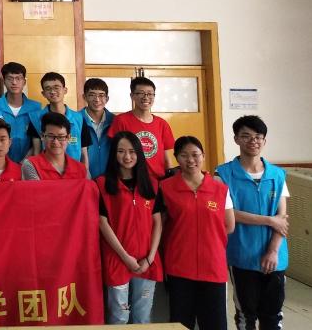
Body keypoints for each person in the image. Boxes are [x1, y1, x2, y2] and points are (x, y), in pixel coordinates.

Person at [216, 116, 289, 330]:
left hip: (275, 257)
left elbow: (282, 218)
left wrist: (273, 252)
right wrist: (268, 220)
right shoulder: (223, 174)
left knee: (273, 316)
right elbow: (226, 214)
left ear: (264, 140)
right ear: (236, 139)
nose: (253, 141)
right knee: (245, 316)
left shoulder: (277, 175)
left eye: (258, 137)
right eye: (246, 136)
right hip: (242, 256)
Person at [161, 136, 235, 330]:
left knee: (214, 323)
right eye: (184, 155)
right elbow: (160, 225)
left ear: (203, 156)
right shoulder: (166, 188)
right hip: (179, 266)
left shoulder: (220, 189)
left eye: (195, 154)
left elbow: (229, 225)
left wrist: (209, 240)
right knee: (181, 323)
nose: (190, 160)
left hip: (213, 267)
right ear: (176, 158)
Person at [97, 131, 164, 324]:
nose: (127, 157)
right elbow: (102, 223)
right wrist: (125, 257)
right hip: (117, 260)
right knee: (119, 317)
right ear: (114, 154)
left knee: (142, 317)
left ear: (139, 153)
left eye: (132, 151)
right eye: (121, 151)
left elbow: (158, 222)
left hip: (146, 262)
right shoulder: (102, 184)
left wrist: (150, 258)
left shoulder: (152, 184)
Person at [109, 76, 174, 179]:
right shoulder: (121, 120)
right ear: (132, 96)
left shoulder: (162, 124)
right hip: (133, 179)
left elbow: (166, 157)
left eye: (150, 94)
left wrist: (170, 177)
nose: (146, 97)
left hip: (158, 179)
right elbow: (114, 152)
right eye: (141, 93)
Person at [27, 72, 90, 172]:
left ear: (65, 90)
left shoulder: (79, 119)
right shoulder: (35, 119)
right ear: (43, 93)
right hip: (47, 173)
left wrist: (84, 175)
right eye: (48, 88)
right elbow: (36, 151)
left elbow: (84, 154)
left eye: (56, 87)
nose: (52, 91)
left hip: (75, 174)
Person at [0, 61, 41, 163]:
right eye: (10, 78)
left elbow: (37, 141)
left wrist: (24, 163)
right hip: (0, 163)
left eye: (18, 78)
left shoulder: (35, 107)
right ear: (4, 81)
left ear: (24, 82)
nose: (14, 82)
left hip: (27, 164)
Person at [21, 112, 88, 181]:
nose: (55, 142)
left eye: (61, 137)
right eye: (51, 136)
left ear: (68, 137)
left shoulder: (81, 169)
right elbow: (36, 188)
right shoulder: (31, 165)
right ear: (42, 136)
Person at [82, 77, 115, 180]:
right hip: (84, 179)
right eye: (92, 95)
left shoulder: (116, 121)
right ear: (84, 97)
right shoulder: (75, 121)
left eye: (101, 95)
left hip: (111, 179)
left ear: (107, 99)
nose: (97, 100)